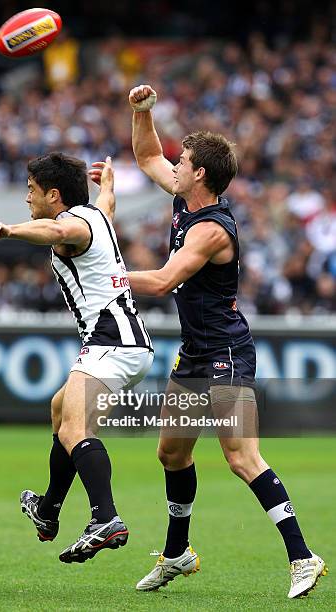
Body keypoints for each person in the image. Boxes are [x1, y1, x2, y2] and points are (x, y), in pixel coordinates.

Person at [126, 84, 327, 598]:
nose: (176, 162)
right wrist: (142, 111)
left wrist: (111, 276)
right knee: (172, 453)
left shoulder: (211, 230)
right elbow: (147, 152)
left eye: (184, 159)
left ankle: (303, 557)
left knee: (240, 457)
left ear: (201, 175)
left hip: (226, 353)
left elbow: (166, 279)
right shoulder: (182, 191)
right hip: (196, 350)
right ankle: (177, 554)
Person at [0, 152, 153, 563]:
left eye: (31, 190)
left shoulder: (71, 225)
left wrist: (7, 229)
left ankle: (105, 518)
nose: (26, 198)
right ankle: (48, 509)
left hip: (111, 343)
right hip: (126, 344)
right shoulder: (97, 212)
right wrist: (108, 183)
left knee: (75, 429)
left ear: (54, 194)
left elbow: (56, 227)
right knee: (60, 409)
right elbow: (106, 201)